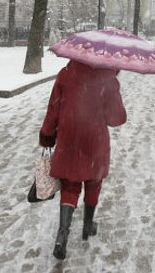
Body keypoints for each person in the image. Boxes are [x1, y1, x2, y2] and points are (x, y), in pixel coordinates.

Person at [39, 60, 127, 260]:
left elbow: (53, 110)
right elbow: (116, 119)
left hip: (68, 138)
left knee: (70, 186)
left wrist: (46, 135)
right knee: (94, 181)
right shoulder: (108, 79)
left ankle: (62, 234)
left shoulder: (66, 73)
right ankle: (88, 225)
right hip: (94, 140)